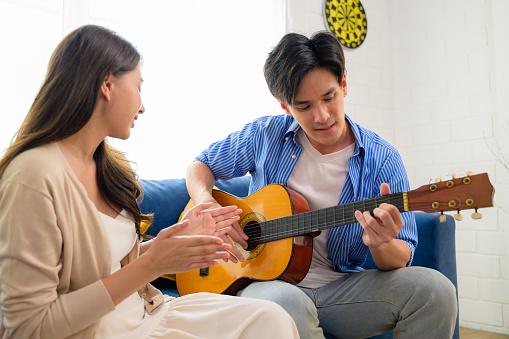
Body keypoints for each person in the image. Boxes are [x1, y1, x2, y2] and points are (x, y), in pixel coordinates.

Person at [0, 25, 300, 339]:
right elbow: (29, 328)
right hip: (100, 331)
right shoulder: (32, 174)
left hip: (147, 311)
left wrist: (174, 243)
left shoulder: (109, 167)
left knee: (272, 319)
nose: (143, 106)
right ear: (107, 85)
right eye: (139, 87)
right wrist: (153, 264)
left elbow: (109, 266)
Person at [186, 31, 458, 338]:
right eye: (304, 106)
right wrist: (204, 202)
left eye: (329, 97)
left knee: (437, 291)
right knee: (286, 304)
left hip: (341, 290)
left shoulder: (383, 159)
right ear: (285, 106)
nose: (322, 116)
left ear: (343, 85)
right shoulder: (264, 135)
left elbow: (399, 259)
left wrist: (381, 242)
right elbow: (201, 165)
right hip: (266, 287)